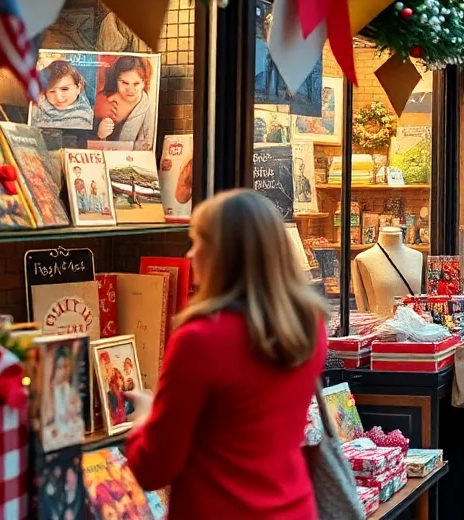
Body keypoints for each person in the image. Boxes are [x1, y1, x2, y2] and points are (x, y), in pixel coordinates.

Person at [124, 189, 327, 519]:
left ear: (221, 253)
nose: (190, 254)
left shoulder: (200, 339)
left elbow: (154, 469)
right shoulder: (309, 327)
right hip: (292, 508)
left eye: (197, 241)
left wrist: (144, 418)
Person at [94, 55, 156, 150]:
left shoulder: (149, 107)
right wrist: (100, 135)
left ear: (144, 82)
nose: (130, 89)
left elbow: (148, 148)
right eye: (125, 83)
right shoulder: (103, 101)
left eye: (136, 84)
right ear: (116, 80)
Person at [32, 60, 93, 130]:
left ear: (78, 88)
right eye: (52, 91)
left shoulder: (85, 116)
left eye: (65, 89)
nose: (59, 97)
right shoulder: (38, 108)